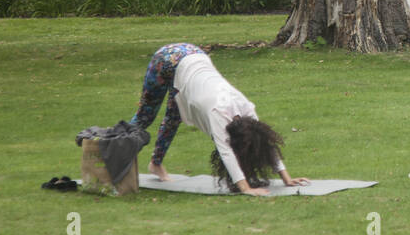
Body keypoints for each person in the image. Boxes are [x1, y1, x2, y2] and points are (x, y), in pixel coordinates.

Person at [130, 43, 311, 195]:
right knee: (144, 119)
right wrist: (246, 188)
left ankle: (155, 164)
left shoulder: (248, 109)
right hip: (168, 59)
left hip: (194, 58)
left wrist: (286, 178)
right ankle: (114, 159)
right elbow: (226, 152)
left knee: (173, 118)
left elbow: (265, 144)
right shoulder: (217, 113)